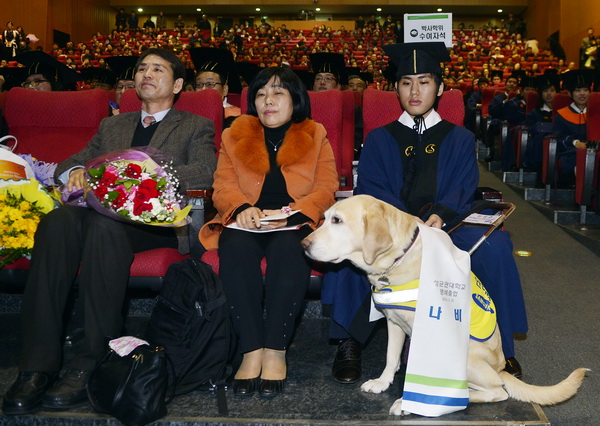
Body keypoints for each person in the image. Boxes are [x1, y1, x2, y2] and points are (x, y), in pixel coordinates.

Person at [1, 48, 217, 416]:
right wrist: (75, 173)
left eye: (158, 69)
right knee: (58, 222)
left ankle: (89, 361)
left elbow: (205, 171)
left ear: (178, 84)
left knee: (102, 227)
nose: (147, 73)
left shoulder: (195, 125)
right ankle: (36, 366)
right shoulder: (112, 125)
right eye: (142, 68)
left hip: (154, 222)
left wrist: (147, 177)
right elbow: (71, 162)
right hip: (101, 217)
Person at [321, 42, 528, 385]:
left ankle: (500, 349)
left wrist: (441, 216)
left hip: (448, 225)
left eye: (424, 81)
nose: (414, 91)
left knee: (495, 248)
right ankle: (349, 340)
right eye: (406, 82)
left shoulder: (460, 138)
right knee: (352, 246)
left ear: (441, 88)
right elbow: (370, 189)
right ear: (396, 89)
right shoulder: (379, 139)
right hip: (392, 228)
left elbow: (464, 185)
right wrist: (405, 223)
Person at [200, 66, 338, 398]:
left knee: (289, 250)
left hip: (294, 220)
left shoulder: (314, 133)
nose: (268, 101)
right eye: (260, 94)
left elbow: (327, 187)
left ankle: (276, 348)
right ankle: (251, 349)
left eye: (278, 93)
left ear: (295, 100)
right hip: (245, 220)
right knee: (235, 249)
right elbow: (222, 185)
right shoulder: (235, 133)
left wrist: (297, 212)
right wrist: (241, 208)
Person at [551, 69, 592, 183]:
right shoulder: (562, 114)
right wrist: (575, 143)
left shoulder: (595, 113)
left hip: (593, 150)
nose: (582, 94)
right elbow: (557, 137)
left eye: (585, 90)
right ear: (570, 94)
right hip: (570, 152)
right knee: (577, 158)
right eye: (578, 90)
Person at [189, 47, 242, 127]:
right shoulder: (188, 113)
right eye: (199, 84)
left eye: (210, 84)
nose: (203, 89)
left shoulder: (238, 117)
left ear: (225, 89)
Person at [524, 73, 559, 174]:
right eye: (545, 91)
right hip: (539, 146)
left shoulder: (564, 112)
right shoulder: (535, 112)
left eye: (552, 91)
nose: (549, 94)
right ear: (541, 94)